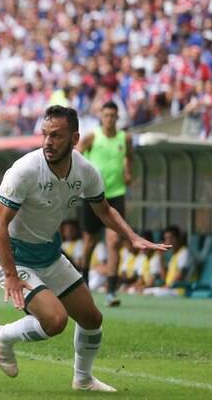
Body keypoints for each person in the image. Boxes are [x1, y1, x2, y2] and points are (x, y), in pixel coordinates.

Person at [0, 105, 169, 392]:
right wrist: (10, 275)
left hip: (47, 254)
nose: (48, 141)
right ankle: (3, 337)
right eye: (45, 134)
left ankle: (83, 379)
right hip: (13, 256)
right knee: (55, 320)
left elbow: (104, 210)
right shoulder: (24, 170)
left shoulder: (85, 171)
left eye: (57, 136)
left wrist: (132, 237)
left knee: (92, 318)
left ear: (74, 138)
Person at [77, 101, 133, 307]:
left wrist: (127, 171)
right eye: (106, 115)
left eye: (113, 116)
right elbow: (77, 155)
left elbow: (130, 157)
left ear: (118, 118)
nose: (109, 119)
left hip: (116, 194)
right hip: (92, 195)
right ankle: (83, 283)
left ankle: (110, 292)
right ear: (101, 116)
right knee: (90, 242)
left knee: (114, 242)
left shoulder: (124, 138)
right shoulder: (92, 136)